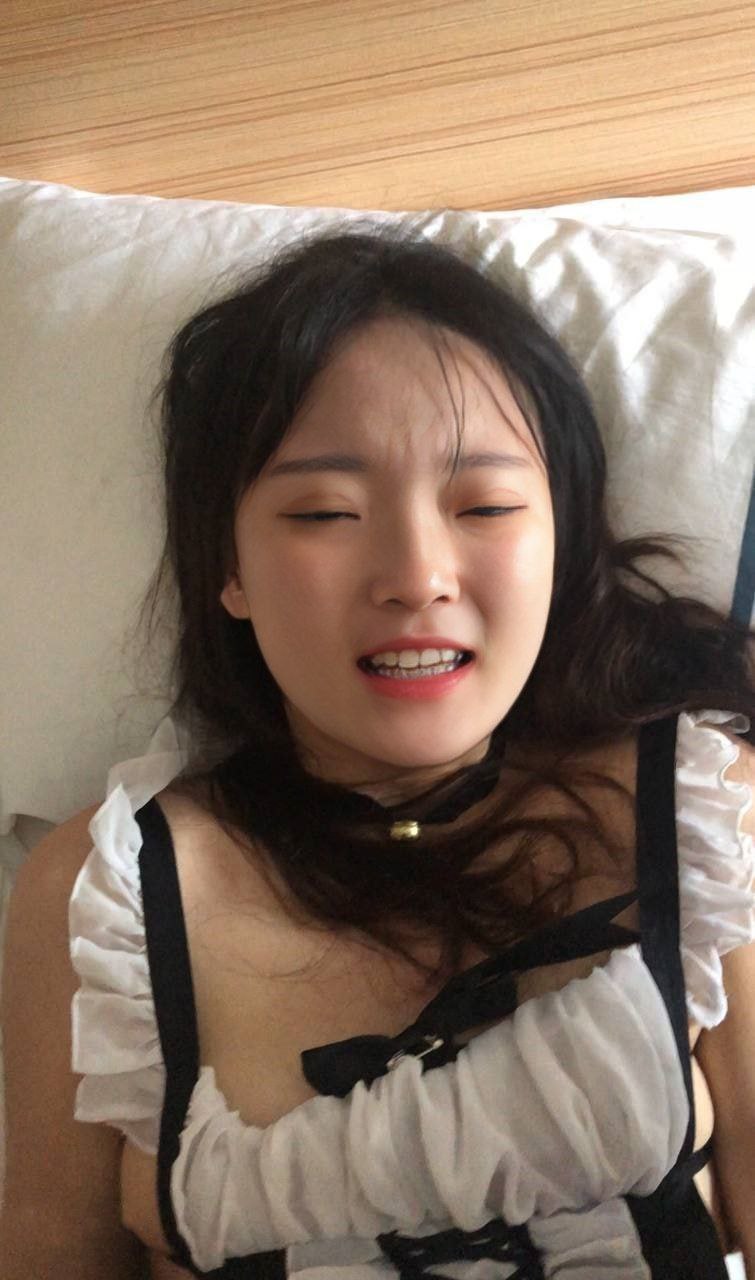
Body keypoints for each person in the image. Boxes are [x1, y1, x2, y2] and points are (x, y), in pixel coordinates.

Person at [1, 223, 753, 1280]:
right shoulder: (100, 898)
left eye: (484, 504)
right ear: (228, 568)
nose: (415, 574)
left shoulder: (709, 821)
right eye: (325, 511)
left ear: (560, 539)